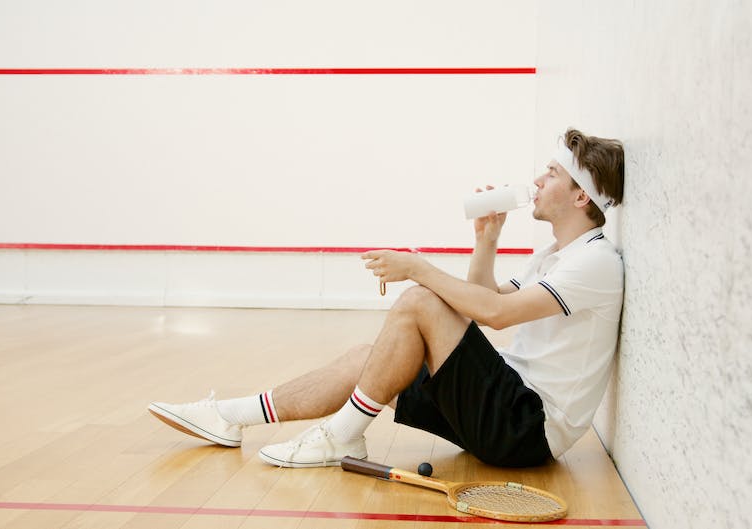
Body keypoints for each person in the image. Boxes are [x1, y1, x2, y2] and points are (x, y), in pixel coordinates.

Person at [148, 128, 625, 468]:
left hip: (526, 428)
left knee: (419, 300)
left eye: (553, 173)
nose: (538, 181)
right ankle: (230, 417)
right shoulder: (554, 255)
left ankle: (341, 436)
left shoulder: (596, 262)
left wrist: (417, 267)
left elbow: (496, 316)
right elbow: (483, 301)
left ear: (581, 196)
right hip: (504, 405)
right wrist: (487, 240)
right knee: (367, 359)